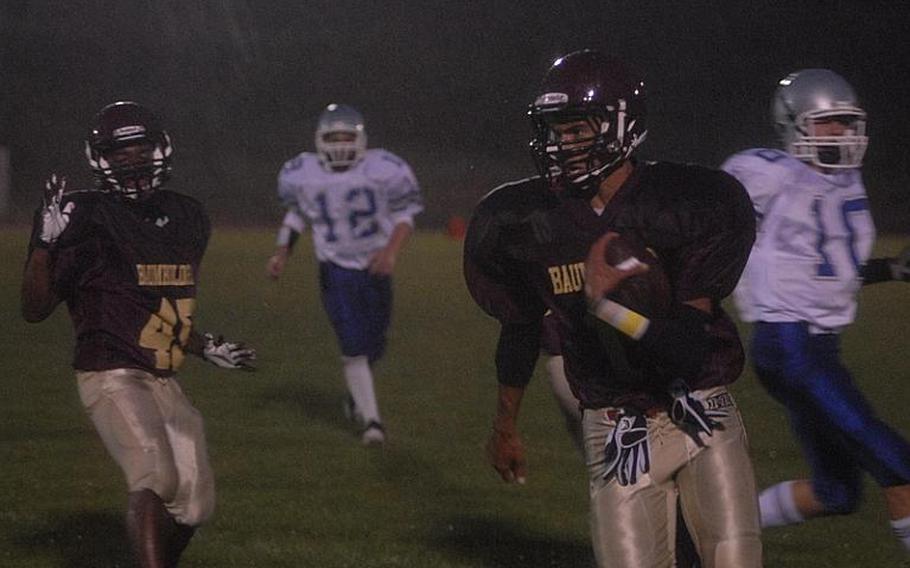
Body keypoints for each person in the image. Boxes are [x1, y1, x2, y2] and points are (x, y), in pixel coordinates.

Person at [464, 49, 762, 567]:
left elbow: (687, 351)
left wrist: (609, 309)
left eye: (578, 130)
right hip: (614, 424)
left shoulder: (686, 203)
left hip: (698, 411)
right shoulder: (525, 220)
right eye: (556, 131)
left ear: (623, 126)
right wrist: (504, 425)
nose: (563, 144)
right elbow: (519, 328)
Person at [20, 101, 256, 568]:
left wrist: (203, 345)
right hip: (110, 371)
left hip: (162, 375)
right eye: (121, 152)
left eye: (141, 149)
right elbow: (34, 310)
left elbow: (157, 307)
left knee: (194, 504)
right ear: (100, 158)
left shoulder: (187, 216)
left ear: (161, 149)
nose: (133, 161)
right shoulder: (80, 215)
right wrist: (45, 247)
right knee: (155, 474)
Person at [722, 68, 910, 550]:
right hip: (788, 345)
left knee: (837, 492)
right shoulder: (767, 173)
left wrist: (888, 270)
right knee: (900, 466)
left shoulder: (845, 181)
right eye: (828, 123)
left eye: (846, 123)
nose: (841, 133)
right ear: (794, 124)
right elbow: (710, 224)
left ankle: (714, 531)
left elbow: (825, 270)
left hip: (817, 349)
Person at [266, 103, 423, 446]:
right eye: (333, 137)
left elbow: (405, 215)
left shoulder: (384, 167)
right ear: (320, 140)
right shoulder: (303, 172)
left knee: (374, 345)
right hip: (335, 269)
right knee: (353, 346)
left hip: (375, 266)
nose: (340, 144)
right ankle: (372, 424)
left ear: (361, 139)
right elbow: (296, 216)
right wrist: (282, 252)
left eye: (346, 136)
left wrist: (390, 251)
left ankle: (356, 395)